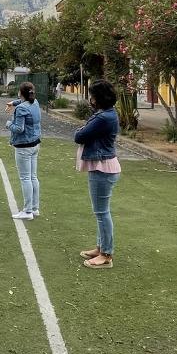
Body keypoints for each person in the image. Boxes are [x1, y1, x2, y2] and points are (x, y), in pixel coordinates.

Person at [74, 79, 121, 269]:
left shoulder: (103, 117)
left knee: (102, 212)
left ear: (98, 98)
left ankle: (106, 254)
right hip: (102, 167)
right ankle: (101, 247)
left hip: (103, 168)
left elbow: (79, 136)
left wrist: (82, 129)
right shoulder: (105, 114)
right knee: (100, 212)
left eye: (92, 95)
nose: (90, 99)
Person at [5, 81, 42, 220]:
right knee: (33, 176)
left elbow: (19, 129)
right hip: (35, 144)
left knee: (25, 178)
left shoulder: (21, 109)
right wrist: (12, 103)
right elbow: (23, 101)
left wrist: (8, 124)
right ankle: (34, 208)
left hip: (23, 147)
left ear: (21, 93)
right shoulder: (35, 102)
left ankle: (27, 211)